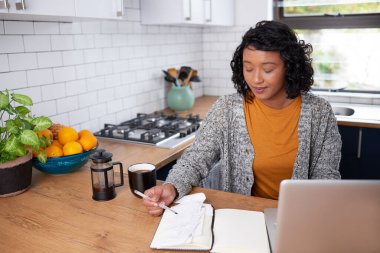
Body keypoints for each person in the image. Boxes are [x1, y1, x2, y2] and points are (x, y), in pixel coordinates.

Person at [143, 20, 342, 216]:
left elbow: (326, 177)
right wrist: (171, 186)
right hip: (241, 215)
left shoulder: (319, 112)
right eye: (248, 68)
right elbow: (196, 159)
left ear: (290, 67)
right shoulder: (227, 109)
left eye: (268, 69)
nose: (256, 79)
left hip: (299, 216)